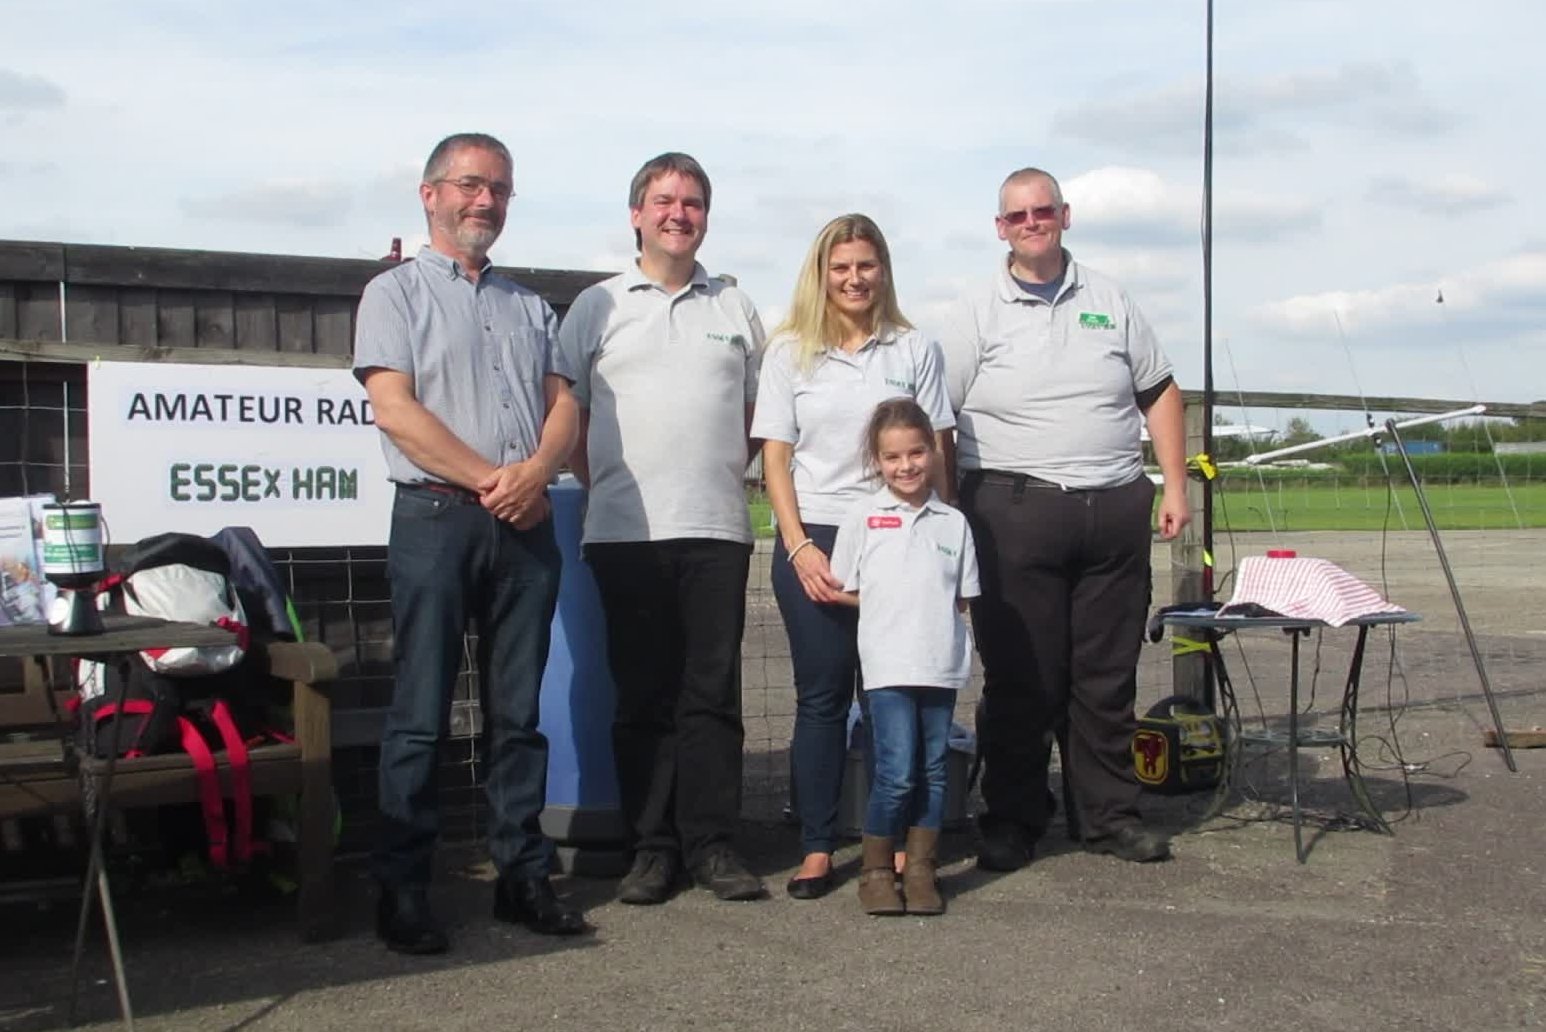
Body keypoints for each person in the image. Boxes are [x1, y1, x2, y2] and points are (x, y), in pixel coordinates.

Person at [354, 132, 586, 954]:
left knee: (516, 718)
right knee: (420, 714)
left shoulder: (531, 307)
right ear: (429, 194)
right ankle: (405, 890)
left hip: (525, 524)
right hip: (436, 518)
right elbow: (397, 412)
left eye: (498, 189)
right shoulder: (393, 295)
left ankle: (523, 878)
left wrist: (536, 476)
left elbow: (565, 408)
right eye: (468, 186)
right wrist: (498, 478)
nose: (483, 201)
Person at [939, 166, 1190, 871]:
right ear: (1000, 228)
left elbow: (1160, 391)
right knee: (1024, 677)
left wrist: (1175, 485)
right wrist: (948, 511)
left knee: (1106, 678)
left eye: (1042, 211)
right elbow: (937, 417)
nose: (1031, 224)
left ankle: (1109, 817)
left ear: (1065, 215)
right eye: (1017, 216)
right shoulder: (974, 311)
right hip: (1013, 510)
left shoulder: (1110, 299)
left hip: (1112, 508)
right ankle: (1014, 818)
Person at [553, 152, 766, 905]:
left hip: (716, 528)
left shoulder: (735, 309)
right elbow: (566, 413)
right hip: (623, 534)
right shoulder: (597, 307)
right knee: (643, 697)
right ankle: (651, 849)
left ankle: (713, 845)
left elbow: (754, 421)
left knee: (711, 697)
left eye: (694, 202)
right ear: (637, 213)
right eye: (665, 200)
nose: (680, 213)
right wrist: (602, 479)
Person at [749, 214, 954, 900]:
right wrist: (799, 542)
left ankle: (892, 845)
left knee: (891, 693)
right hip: (818, 538)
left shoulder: (914, 348)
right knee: (823, 696)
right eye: (841, 267)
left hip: (896, 540)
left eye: (866, 265)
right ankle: (814, 846)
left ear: (883, 269)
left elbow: (938, 451)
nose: (854, 278)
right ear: (821, 274)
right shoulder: (789, 354)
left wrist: (941, 543)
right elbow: (775, 458)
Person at [828, 399, 979, 915]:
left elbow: (961, 596)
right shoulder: (864, 517)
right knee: (895, 771)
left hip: (938, 664)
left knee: (934, 768)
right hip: (887, 667)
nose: (907, 465)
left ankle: (920, 870)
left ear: (934, 453)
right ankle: (875, 871)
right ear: (877, 460)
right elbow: (846, 586)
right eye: (893, 457)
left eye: (917, 452)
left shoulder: (953, 524)